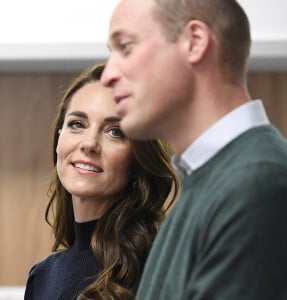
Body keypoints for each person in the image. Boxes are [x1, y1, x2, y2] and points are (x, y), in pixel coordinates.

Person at [100, 0, 287, 299]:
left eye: (126, 46)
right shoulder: (213, 183)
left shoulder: (258, 183)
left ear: (194, 42)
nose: (107, 74)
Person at [24, 63, 179, 300]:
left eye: (115, 131)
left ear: (138, 158)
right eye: (77, 124)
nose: (89, 143)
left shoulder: (162, 271)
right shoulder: (42, 277)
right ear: (59, 138)